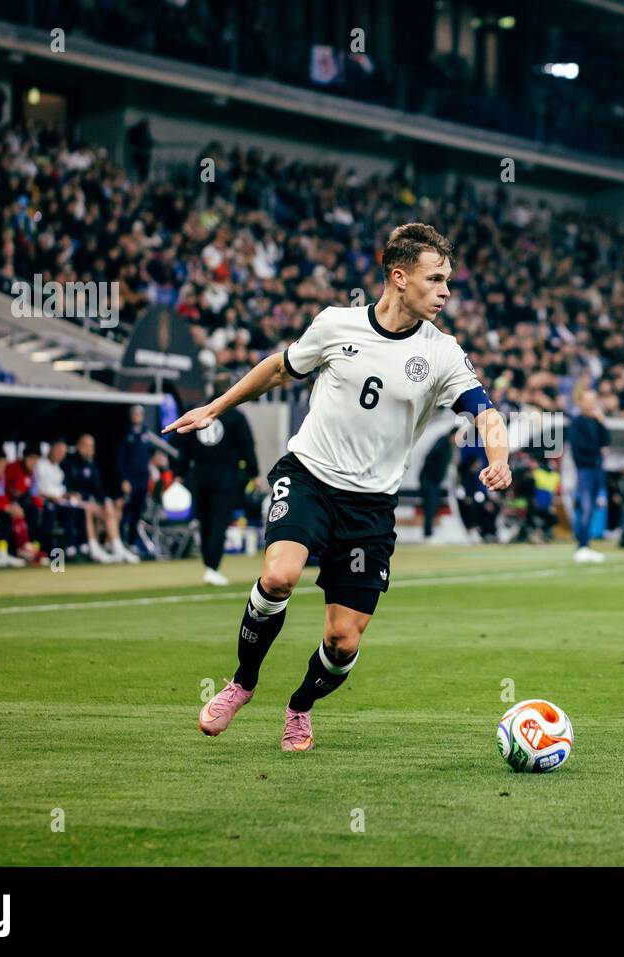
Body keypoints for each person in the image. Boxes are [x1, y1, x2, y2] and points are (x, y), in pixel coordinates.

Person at [165, 223, 510, 753]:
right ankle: (242, 683)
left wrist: (499, 458)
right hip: (308, 476)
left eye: (448, 281)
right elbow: (279, 370)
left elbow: (484, 413)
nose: (445, 292)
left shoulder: (442, 354)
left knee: (341, 640)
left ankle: (299, 707)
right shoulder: (335, 324)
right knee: (279, 577)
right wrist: (214, 407)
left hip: (370, 508)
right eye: (435, 279)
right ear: (399, 277)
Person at [172, 385, 259, 585]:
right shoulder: (236, 416)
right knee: (219, 523)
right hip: (225, 478)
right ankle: (213, 567)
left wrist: (180, 473)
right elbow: (247, 446)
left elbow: (185, 447)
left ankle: (208, 565)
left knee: (205, 523)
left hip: (200, 477)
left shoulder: (201, 413)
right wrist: (254, 473)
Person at [65, 434, 139, 563]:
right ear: (78, 446)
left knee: (111, 510)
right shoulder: (69, 462)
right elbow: (67, 485)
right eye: (85, 445)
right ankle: (94, 549)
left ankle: (116, 546)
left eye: (91, 446)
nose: (88, 449)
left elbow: (98, 488)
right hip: (72, 503)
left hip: (88, 502)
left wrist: (107, 501)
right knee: (88, 509)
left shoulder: (91, 465)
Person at [569, 388, 610, 563]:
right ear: (581, 403)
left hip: (596, 469)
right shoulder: (577, 423)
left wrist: (602, 423)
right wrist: (598, 451)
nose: (592, 404)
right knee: (585, 507)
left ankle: (586, 545)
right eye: (589, 400)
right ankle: (582, 545)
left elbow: (606, 440)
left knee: (591, 507)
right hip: (585, 470)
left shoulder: (595, 422)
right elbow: (580, 449)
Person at [117, 405, 154, 557]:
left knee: (138, 512)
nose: (137, 416)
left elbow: (151, 454)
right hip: (130, 480)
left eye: (139, 414)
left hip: (142, 480)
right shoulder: (126, 434)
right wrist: (124, 479)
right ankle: (120, 542)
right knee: (126, 512)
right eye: (134, 414)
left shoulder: (146, 434)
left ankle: (132, 543)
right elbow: (121, 460)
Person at [418, 426, 459, 540]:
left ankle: (430, 533)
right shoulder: (443, 442)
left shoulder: (450, 446)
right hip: (429, 479)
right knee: (430, 505)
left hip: (435, 481)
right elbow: (430, 457)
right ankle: (428, 535)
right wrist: (435, 474)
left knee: (433, 505)